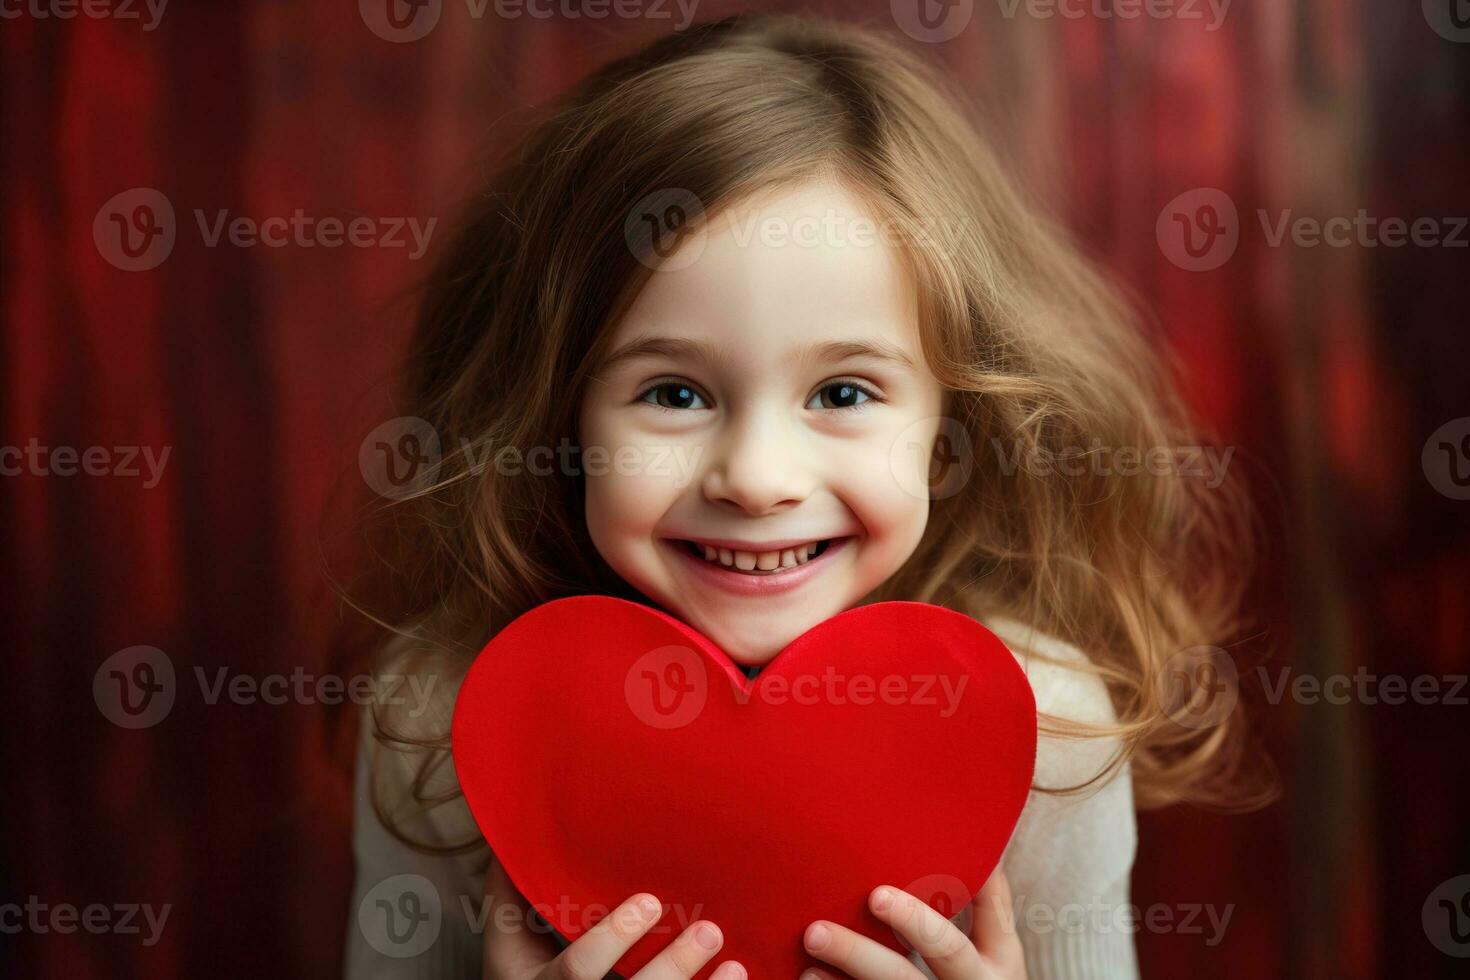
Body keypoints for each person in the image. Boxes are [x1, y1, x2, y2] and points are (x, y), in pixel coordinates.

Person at [342, 13, 1267, 979]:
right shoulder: (441, 716)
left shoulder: (1045, 736)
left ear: (957, 421)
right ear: (559, 417)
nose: (757, 477)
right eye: (674, 393)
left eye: (842, 393)